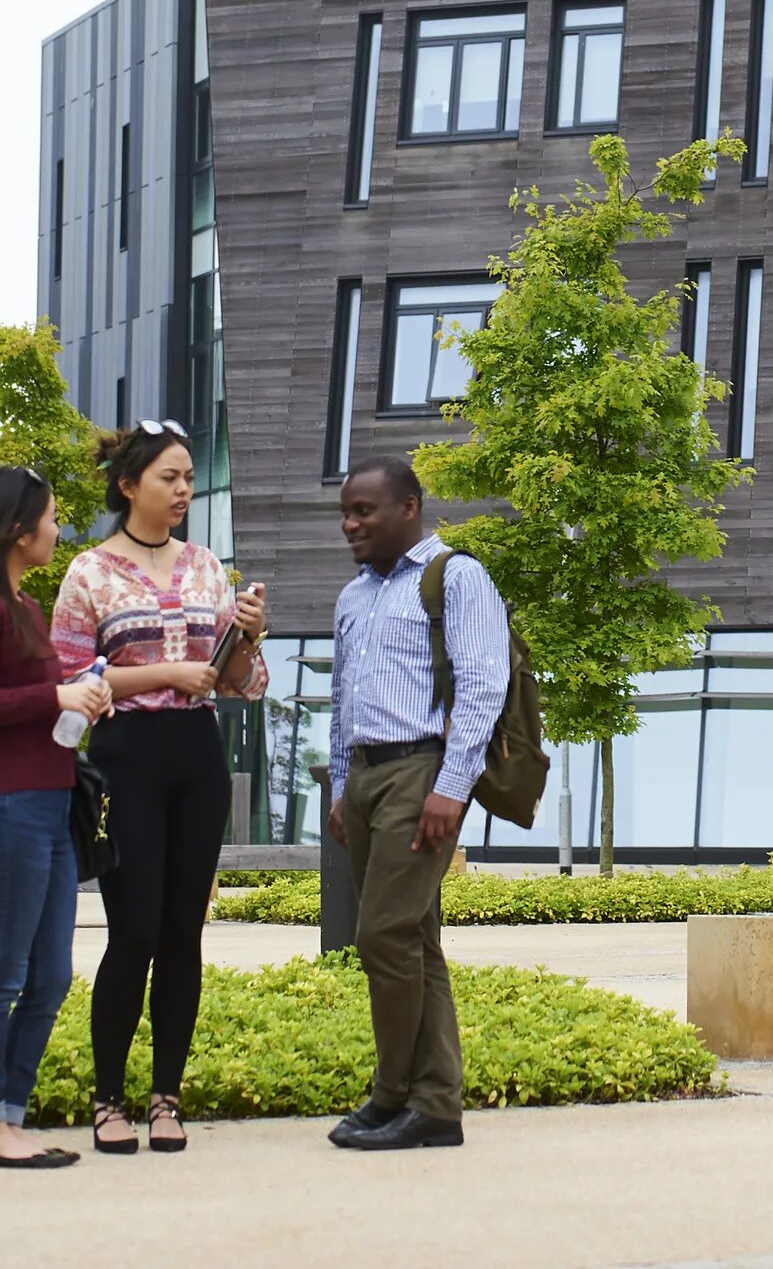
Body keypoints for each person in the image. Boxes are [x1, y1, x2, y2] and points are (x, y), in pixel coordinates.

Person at [52, 421, 270, 1153]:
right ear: (128, 485)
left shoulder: (208, 566)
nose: (183, 490)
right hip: (126, 755)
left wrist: (249, 637)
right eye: (169, 478)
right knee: (135, 929)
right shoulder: (88, 572)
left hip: (196, 756)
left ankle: (166, 1098)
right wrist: (162, 675)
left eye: (188, 478)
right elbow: (69, 678)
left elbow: (238, 683)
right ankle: (107, 1098)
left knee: (184, 932)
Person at [325, 456, 510, 1151]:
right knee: (415, 942)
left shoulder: (456, 578)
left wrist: (450, 789)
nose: (351, 524)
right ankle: (435, 1105)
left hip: (420, 771)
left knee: (381, 936)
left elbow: (483, 688)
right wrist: (342, 787)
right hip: (369, 775)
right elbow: (344, 699)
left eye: (364, 511)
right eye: (345, 512)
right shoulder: (354, 596)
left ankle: (393, 1093)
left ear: (408, 508)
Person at [0, 464, 109, 1170]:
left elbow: (29, 702)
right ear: (17, 527)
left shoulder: (23, 610)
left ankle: (8, 1115)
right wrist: (55, 700)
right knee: (4, 975)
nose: (57, 528)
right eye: (50, 516)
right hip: (10, 806)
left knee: (52, 978)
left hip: (50, 800)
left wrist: (76, 695)